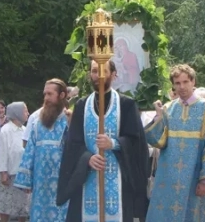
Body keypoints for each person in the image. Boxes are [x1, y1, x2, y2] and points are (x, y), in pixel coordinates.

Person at [57, 60, 149, 222]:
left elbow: (137, 141)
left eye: (103, 71)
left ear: (113, 75)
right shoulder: (81, 105)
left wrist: (113, 143)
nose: (98, 76)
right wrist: (87, 158)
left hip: (119, 179)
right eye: (94, 71)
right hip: (86, 177)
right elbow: (73, 144)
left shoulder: (126, 105)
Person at [144, 64, 205, 222]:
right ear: (173, 85)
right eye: (177, 83)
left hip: (194, 178)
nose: (182, 87)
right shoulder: (168, 108)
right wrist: (158, 118)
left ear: (193, 82)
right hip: (168, 179)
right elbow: (157, 141)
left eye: (185, 82)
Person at [14, 78, 70, 221]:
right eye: (45, 94)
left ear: (62, 95)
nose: (46, 98)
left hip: (63, 184)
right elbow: (30, 150)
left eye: (50, 94)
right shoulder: (37, 121)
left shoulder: (69, 120)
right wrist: (26, 180)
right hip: (40, 184)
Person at [0, 102, 29, 222]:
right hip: (8, 173)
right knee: (6, 205)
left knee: (23, 205)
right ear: (16, 113)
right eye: (25, 111)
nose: (27, 113)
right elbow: (2, 152)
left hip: (22, 172)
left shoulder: (25, 130)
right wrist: (3, 172)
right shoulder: (6, 130)